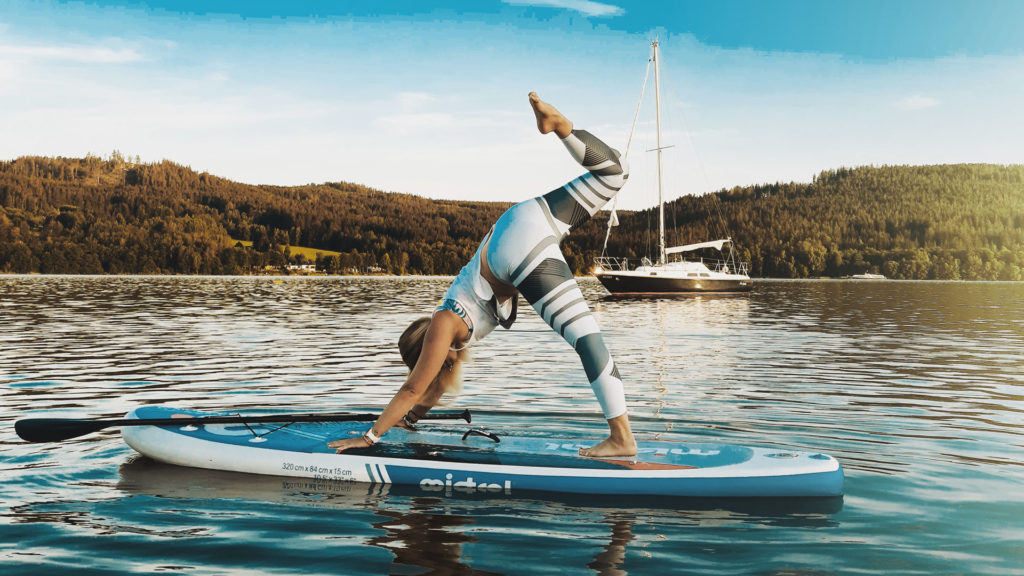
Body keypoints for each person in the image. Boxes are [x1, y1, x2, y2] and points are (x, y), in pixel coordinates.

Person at [329, 93, 637, 458]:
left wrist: (369, 438)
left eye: (427, 365)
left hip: (517, 247)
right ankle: (560, 127)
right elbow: (427, 393)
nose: (436, 372)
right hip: (521, 221)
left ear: (428, 353)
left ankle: (621, 438)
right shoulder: (453, 338)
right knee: (615, 171)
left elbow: (413, 389)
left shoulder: (445, 321)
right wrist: (408, 420)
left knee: (586, 339)